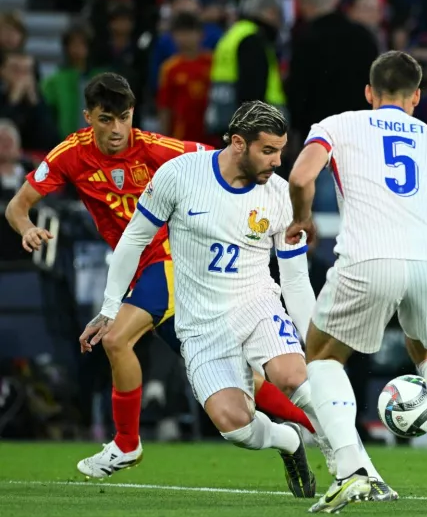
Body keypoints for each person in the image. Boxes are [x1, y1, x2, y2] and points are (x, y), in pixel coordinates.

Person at [2, 73, 321, 479]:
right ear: (88, 118)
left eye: (124, 118)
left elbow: (222, 162)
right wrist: (27, 228)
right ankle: (301, 435)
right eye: (105, 119)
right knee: (245, 381)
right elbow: (17, 206)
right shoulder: (70, 154)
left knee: (116, 337)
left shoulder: (158, 149)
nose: (117, 130)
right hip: (137, 270)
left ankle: (126, 445)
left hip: (174, 260)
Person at [286, 51, 427, 514]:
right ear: (417, 96)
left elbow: (300, 176)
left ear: (368, 92)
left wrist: (303, 217)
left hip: (366, 258)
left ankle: (352, 472)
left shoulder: (337, 125)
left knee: (321, 355)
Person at [88, 101, 322, 497]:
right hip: (200, 318)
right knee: (237, 427)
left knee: (294, 377)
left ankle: (354, 464)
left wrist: (315, 338)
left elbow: (295, 278)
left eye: (282, 150)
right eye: (268, 151)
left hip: (256, 301)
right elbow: (134, 239)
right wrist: (110, 307)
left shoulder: (281, 195)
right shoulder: (180, 174)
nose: (278, 162)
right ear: (237, 144)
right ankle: (289, 441)